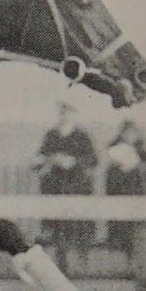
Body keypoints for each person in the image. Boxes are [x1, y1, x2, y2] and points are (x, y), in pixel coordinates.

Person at [32, 99, 98, 274]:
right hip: (55, 188)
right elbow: (39, 158)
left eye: (68, 112)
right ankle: (62, 267)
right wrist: (51, 159)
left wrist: (73, 161)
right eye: (62, 112)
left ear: (74, 115)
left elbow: (93, 160)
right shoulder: (52, 135)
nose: (64, 116)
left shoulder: (82, 136)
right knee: (57, 229)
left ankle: (82, 267)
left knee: (78, 227)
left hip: (77, 188)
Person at [104, 117, 146, 250]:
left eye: (132, 133)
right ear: (121, 134)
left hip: (138, 199)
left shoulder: (143, 154)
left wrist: (138, 167)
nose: (129, 136)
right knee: (121, 238)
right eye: (126, 133)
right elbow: (109, 179)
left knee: (138, 235)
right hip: (119, 199)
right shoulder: (113, 152)